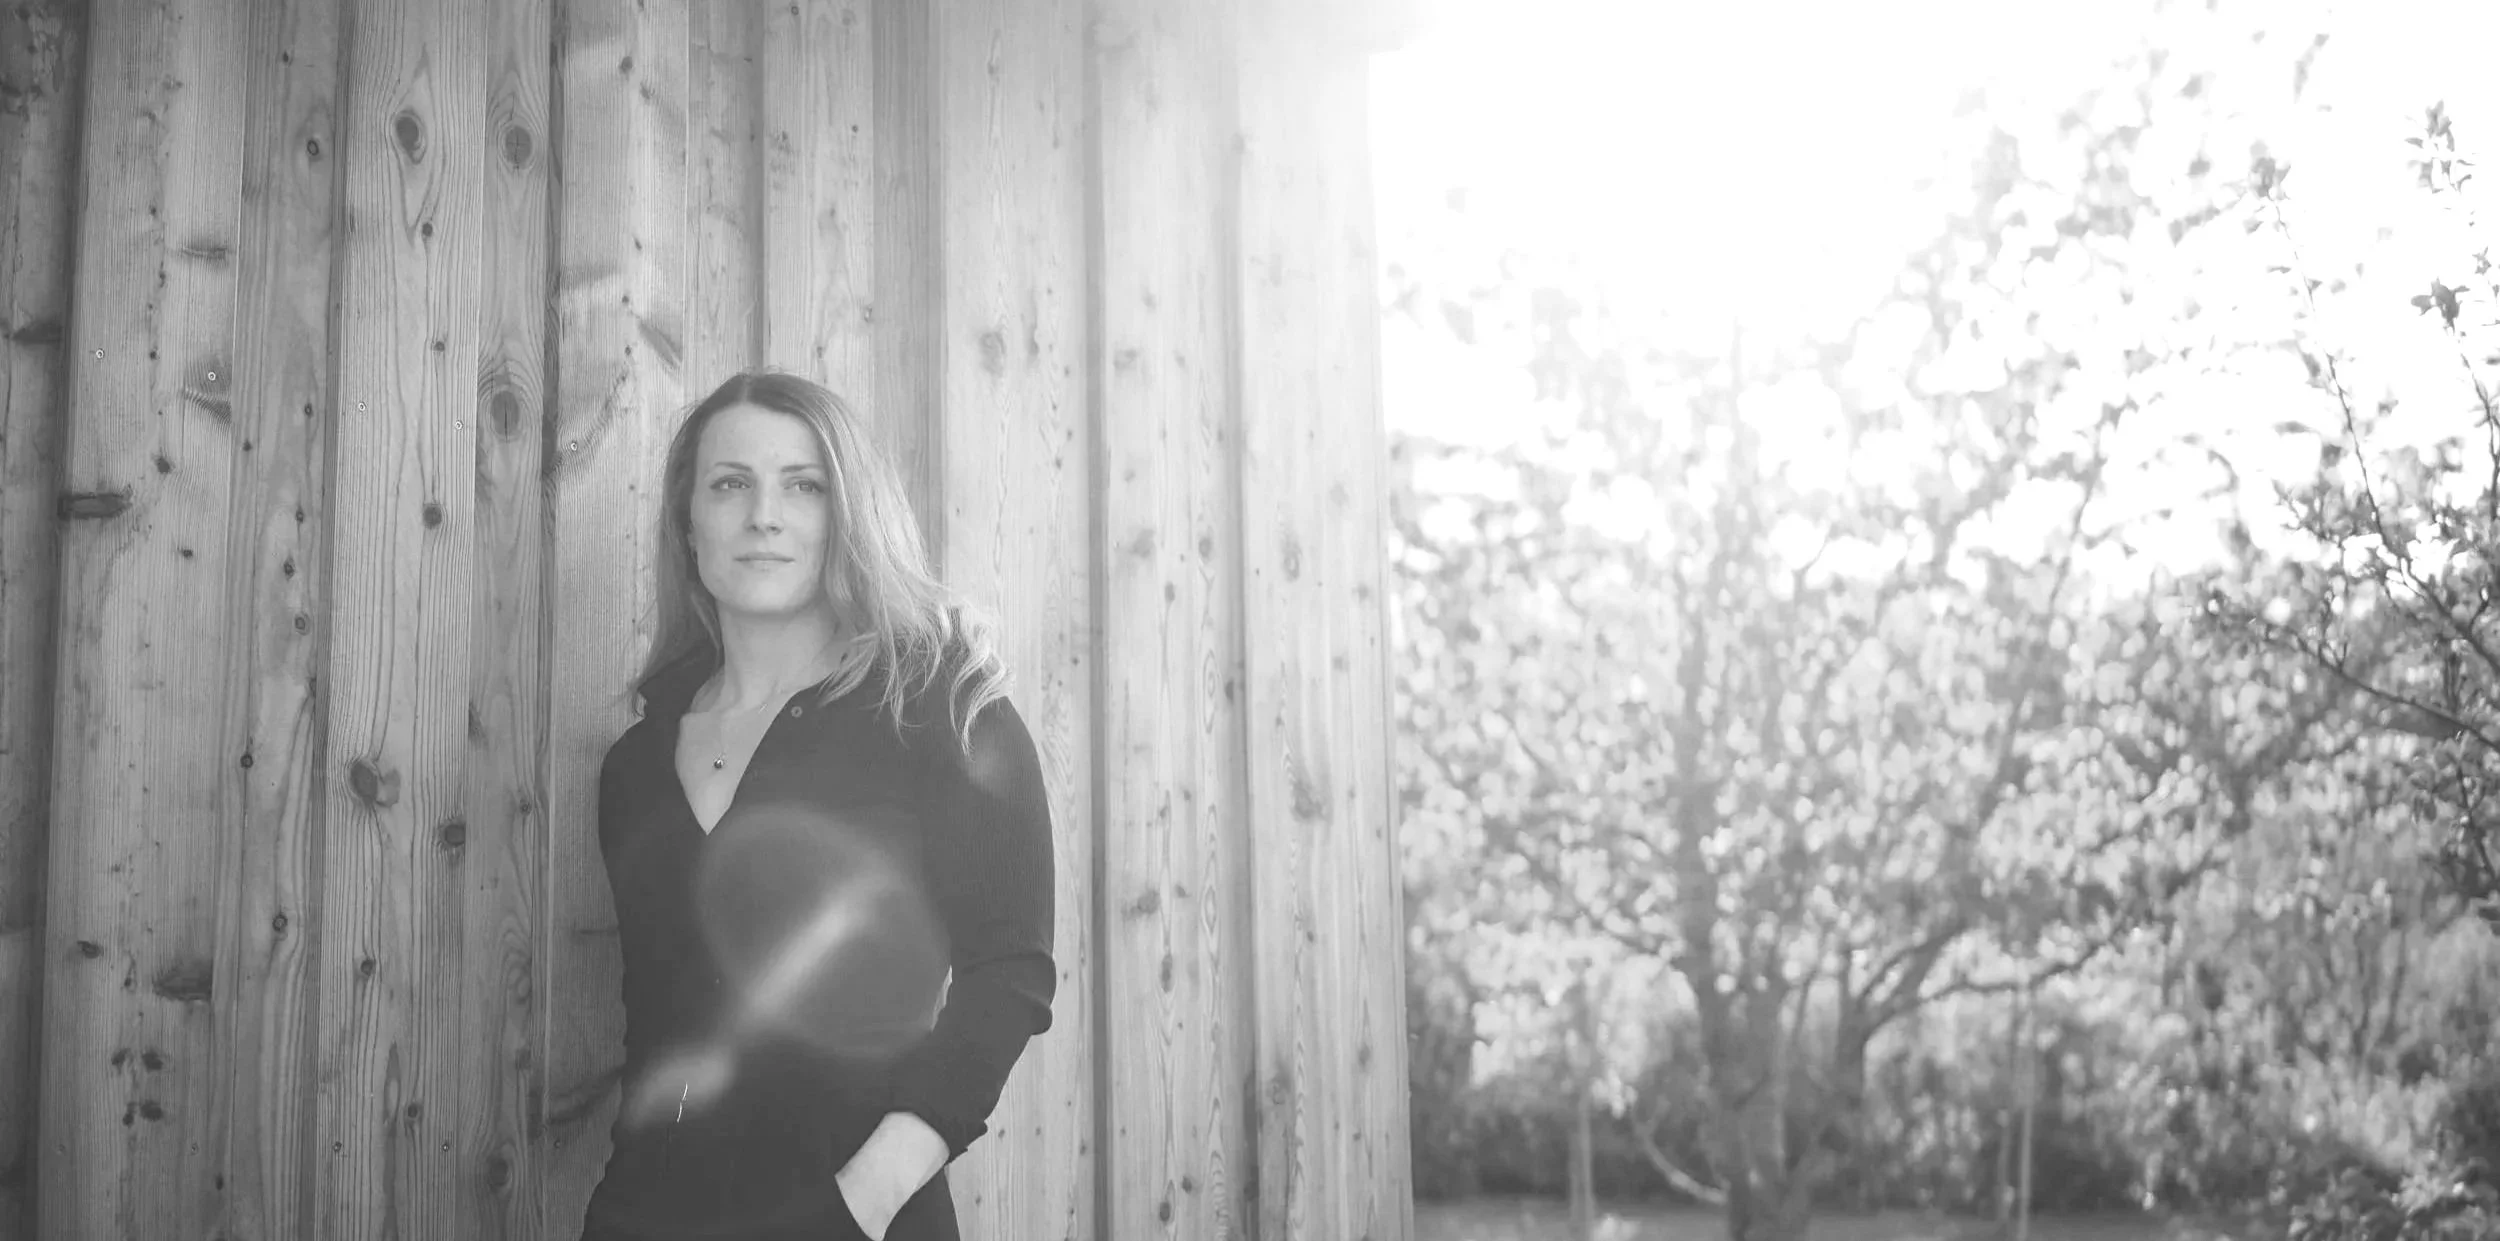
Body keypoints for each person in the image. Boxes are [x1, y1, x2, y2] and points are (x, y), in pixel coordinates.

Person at [578, 371, 1056, 1241]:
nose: (765, 514)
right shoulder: (635, 767)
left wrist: (855, 1206)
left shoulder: (941, 710)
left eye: (804, 485)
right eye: (730, 484)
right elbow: (660, 1026)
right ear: (688, 523)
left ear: (846, 516)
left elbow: (1009, 976)